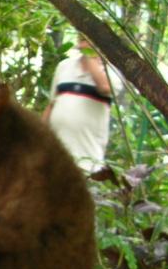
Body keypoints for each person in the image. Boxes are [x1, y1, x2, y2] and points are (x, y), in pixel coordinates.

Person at [42, 35, 123, 173]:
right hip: (54, 157)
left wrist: (90, 56)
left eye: (89, 39)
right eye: (83, 38)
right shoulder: (64, 66)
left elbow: (104, 87)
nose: (85, 43)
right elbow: (52, 104)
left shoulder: (111, 72)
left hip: (87, 161)